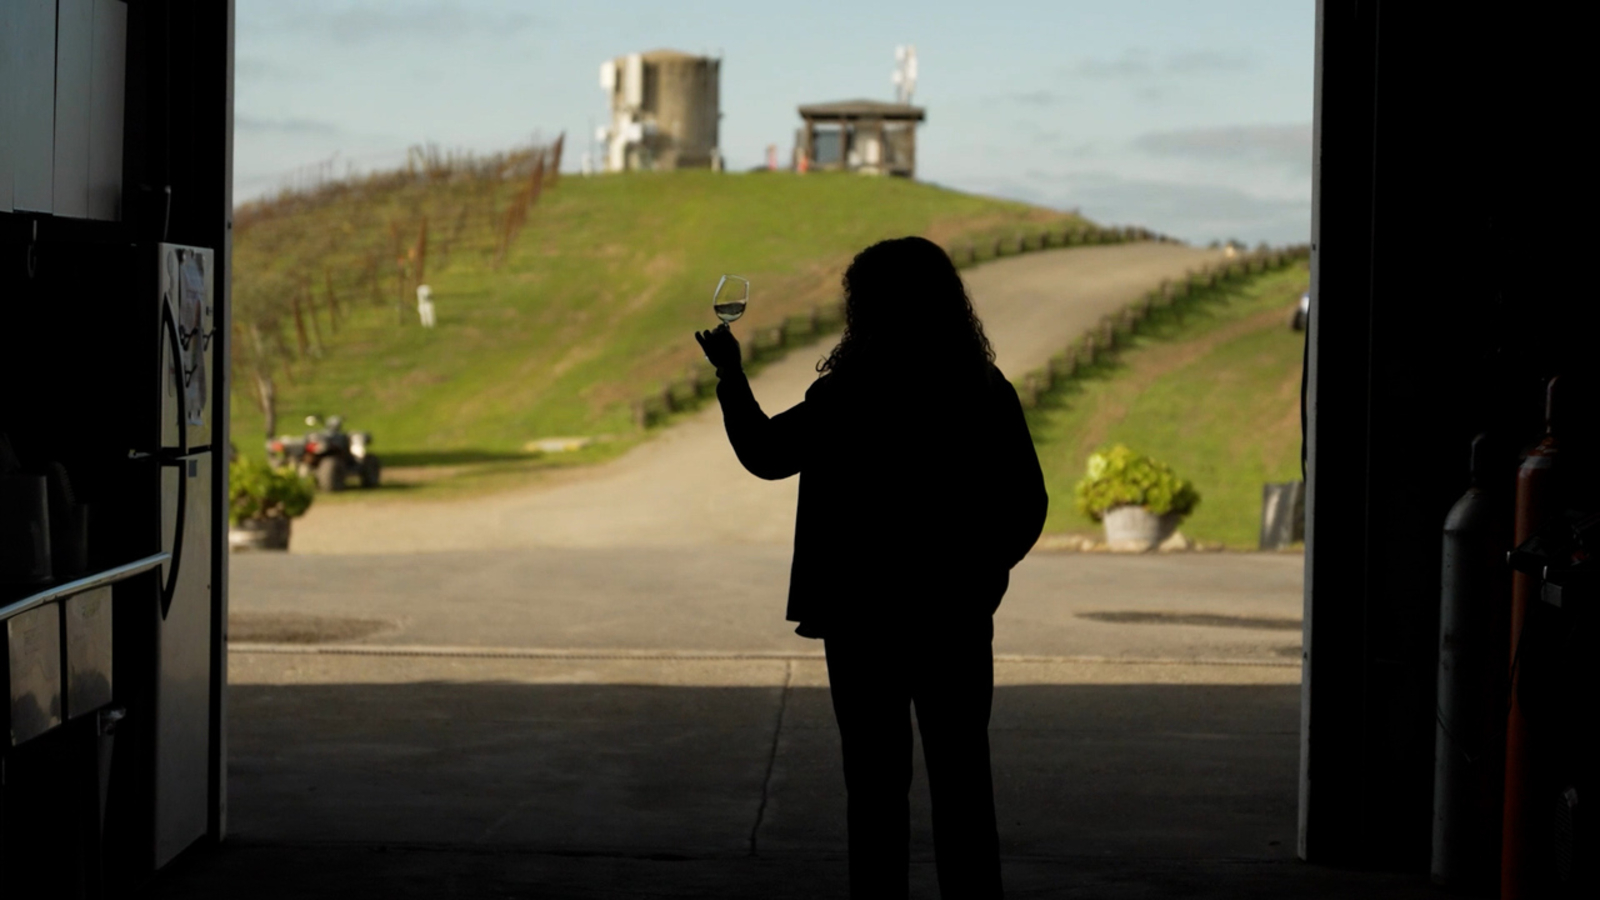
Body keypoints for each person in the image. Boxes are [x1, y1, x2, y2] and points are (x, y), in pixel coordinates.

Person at [695, 236, 1047, 899]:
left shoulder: (849, 395)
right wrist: (980, 579)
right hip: (954, 619)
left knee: (876, 791)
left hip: (861, 621)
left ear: (868, 308)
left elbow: (767, 454)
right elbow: (1027, 504)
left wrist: (731, 377)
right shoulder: (981, 389)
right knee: (964, 784)